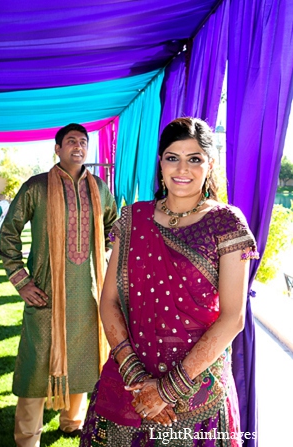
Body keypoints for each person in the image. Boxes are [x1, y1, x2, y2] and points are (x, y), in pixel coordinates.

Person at [79, 117, 259, 447]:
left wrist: (166, 390)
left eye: (195, 159)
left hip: (195, 390)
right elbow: (109, 301)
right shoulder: (134, 217)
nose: (182, 169)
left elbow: (233, 317)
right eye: (172, 157)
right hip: (128, 380)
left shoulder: (226, 222)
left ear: (210, 164)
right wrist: (136, 377)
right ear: (160, 162)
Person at [0, 123, 117, 447]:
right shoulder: (36, 187)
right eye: (71, 142)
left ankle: (71, 422)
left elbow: (114, 228)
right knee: (36, 368)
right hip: (46, 295)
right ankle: (27, 438)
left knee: (83, 360)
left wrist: (104, 257)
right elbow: (6, 234)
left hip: (88, 295)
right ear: (58, 148)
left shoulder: (100, 189)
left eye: (83, 142)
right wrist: (22, 282)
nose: (78, 147)